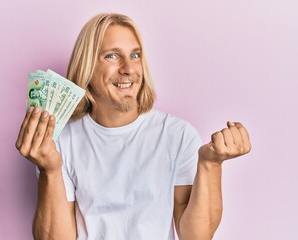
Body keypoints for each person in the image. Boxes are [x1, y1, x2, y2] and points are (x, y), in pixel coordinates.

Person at [15, 13, 251, 240]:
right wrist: (50, 170)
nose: (129, 68)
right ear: (86, 67)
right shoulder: (61, 142)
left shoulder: (177, 135)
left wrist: (211, 164)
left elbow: (196, 236)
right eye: (112, 56)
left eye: (135, 55)